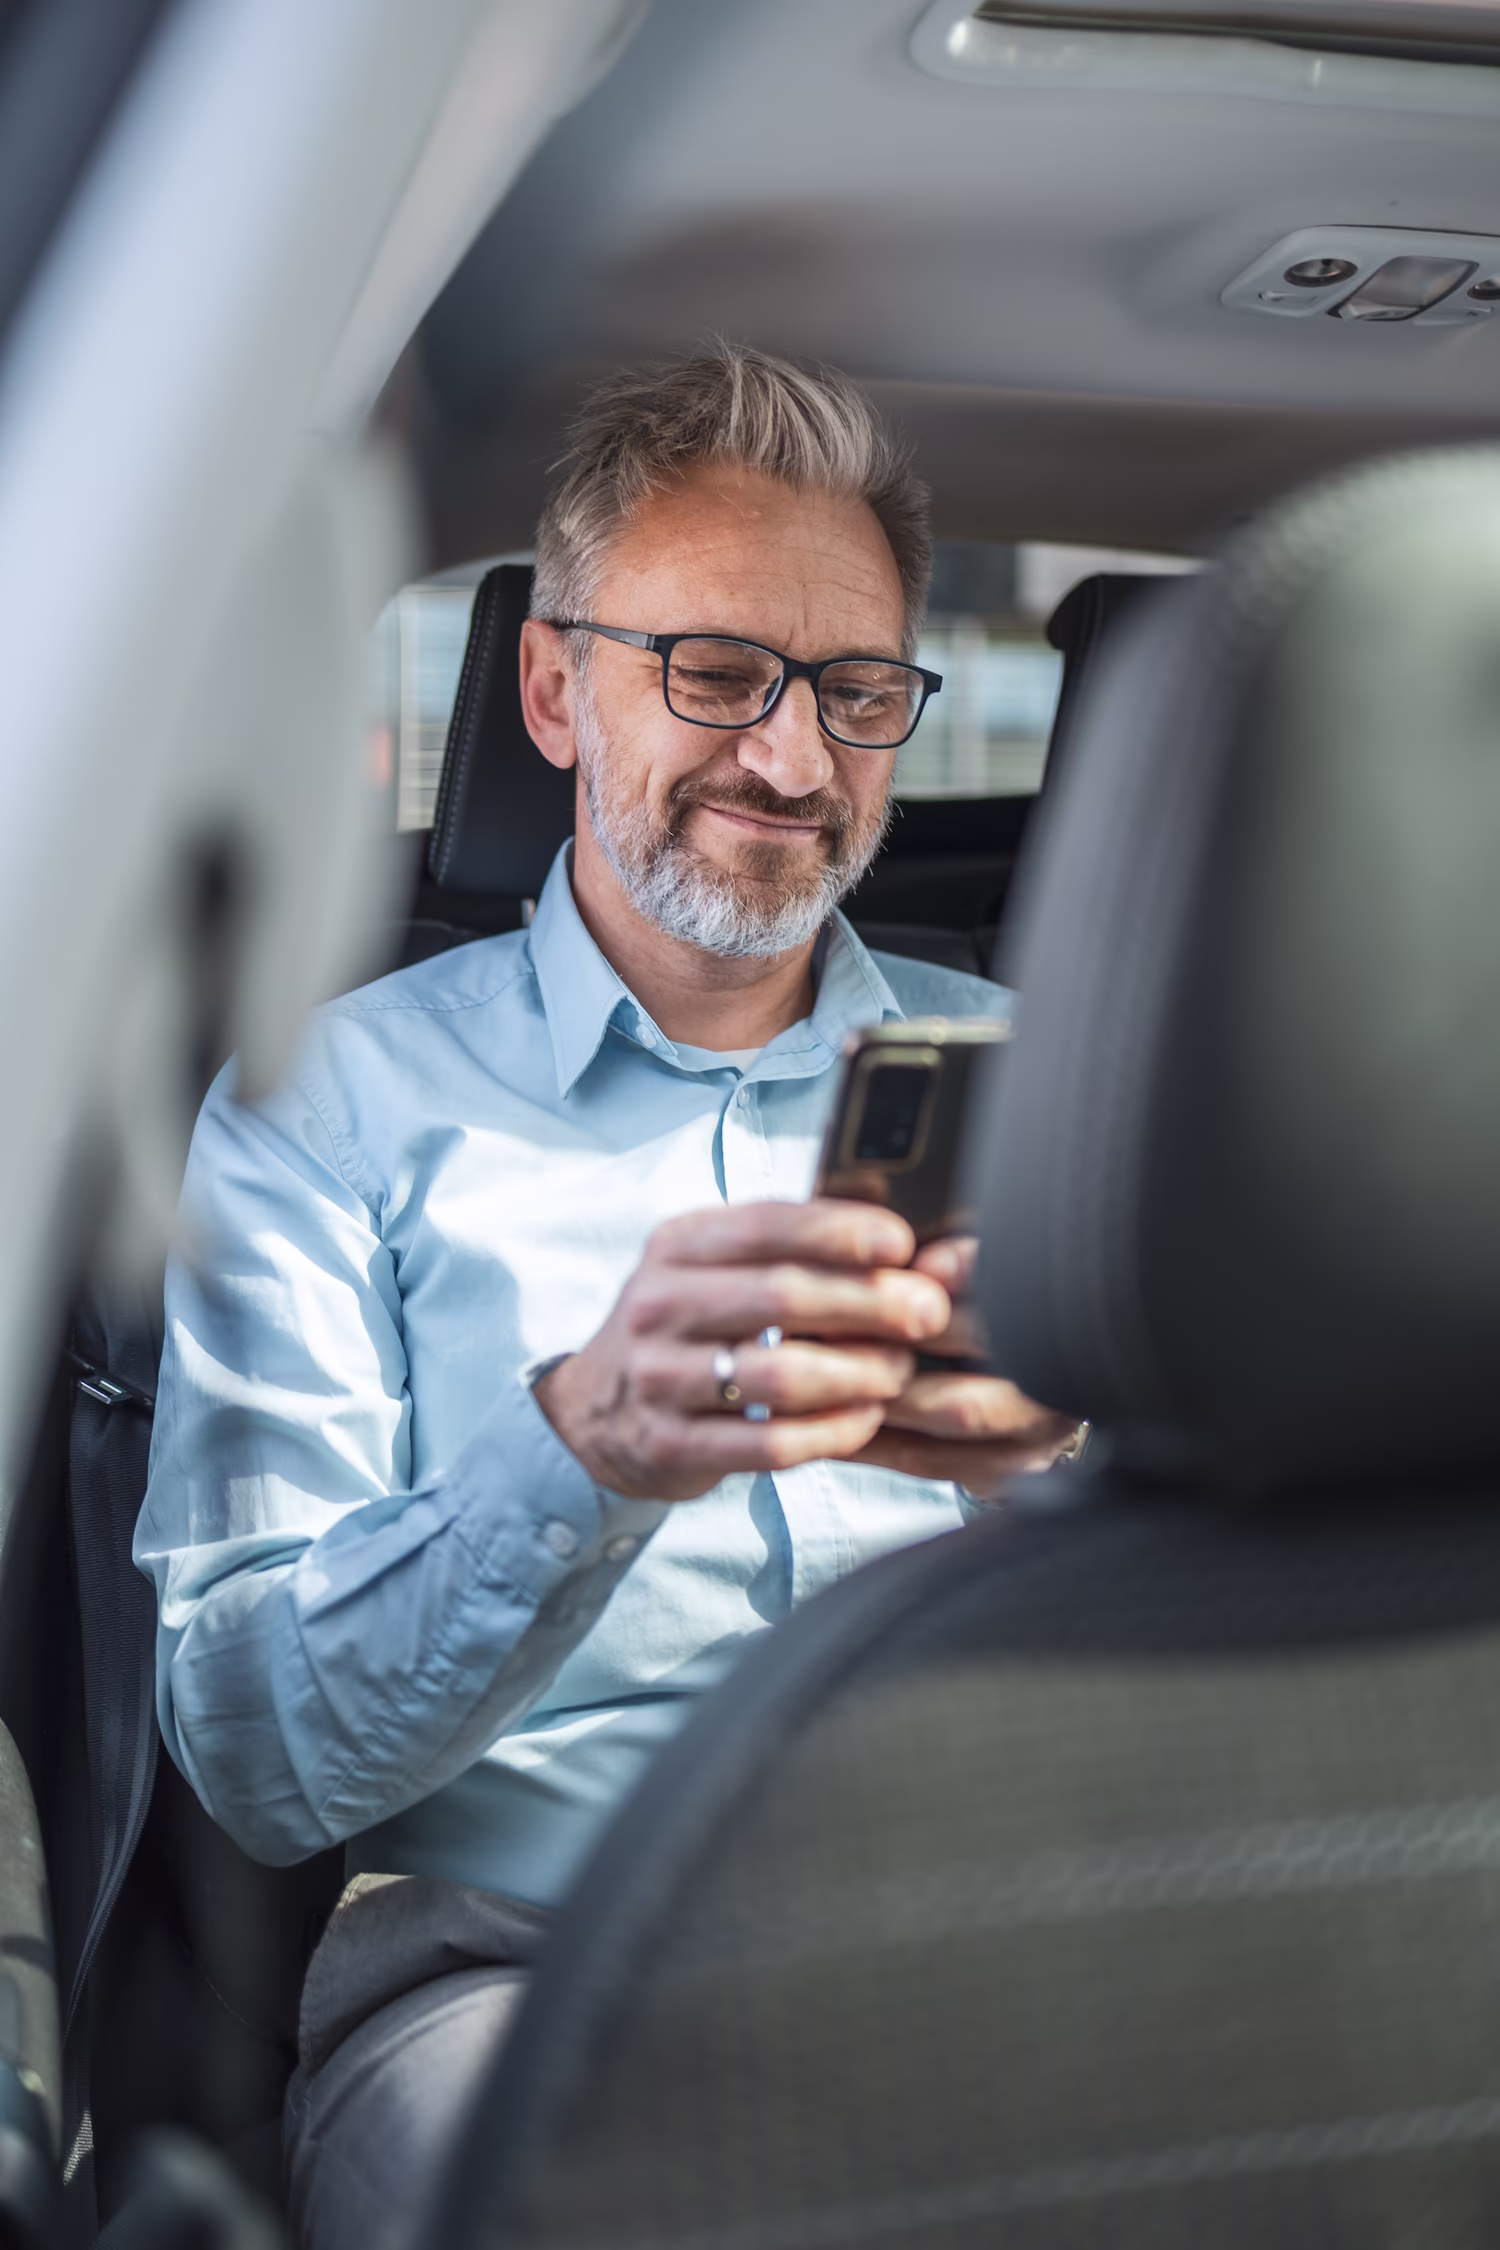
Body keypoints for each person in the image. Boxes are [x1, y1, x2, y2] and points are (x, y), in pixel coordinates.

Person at [137, 342, 1076, 2249]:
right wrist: (581, 1455)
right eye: (719, 674)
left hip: (1018, 1940)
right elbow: (248, 1748)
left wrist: (1047, 1467)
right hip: (516, 1971)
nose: (797, 761)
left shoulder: (1056, 1074)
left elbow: (1255, 1624)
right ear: (557, 689)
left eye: (859, 692)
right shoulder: (322, 1106)